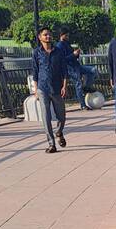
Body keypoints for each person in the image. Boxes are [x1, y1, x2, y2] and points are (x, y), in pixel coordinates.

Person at [32, 25, 68, 153]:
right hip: (43, 88)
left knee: (62, 116)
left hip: (57, 87)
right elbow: (35, 71)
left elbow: (64, 70)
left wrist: (64, 85)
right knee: (46, 117)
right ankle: (51, 144)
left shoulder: (58, 51)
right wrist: (35, 89)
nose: (48, 36)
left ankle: (59, 132)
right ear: (40, 37)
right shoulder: (37, 53)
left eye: (49, 34)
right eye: (45, 34)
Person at [55, 29, 86, 109]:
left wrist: (76, 54)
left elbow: (73, 55)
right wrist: (73, 54)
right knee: (78, 83)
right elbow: (63, 59)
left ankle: (86, 87)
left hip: (76, 66)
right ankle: (82, 104)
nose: (68, 37)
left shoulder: (67, 44)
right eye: (66, 35)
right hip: (70, 68)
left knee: (93, 71)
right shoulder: (59, 46)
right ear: (62, 35)